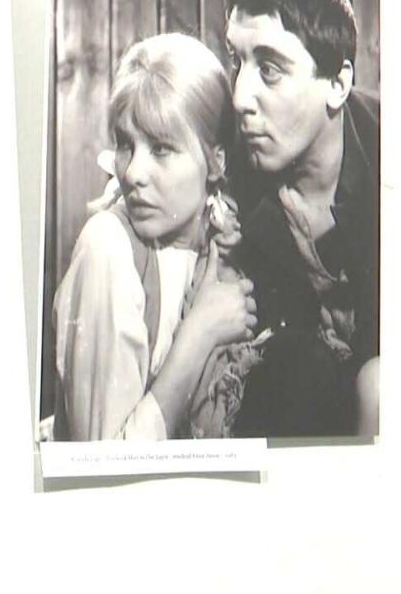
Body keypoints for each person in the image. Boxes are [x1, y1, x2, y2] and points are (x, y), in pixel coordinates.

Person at [52, 33, 259, 441]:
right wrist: (200, 333)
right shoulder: (108, 247)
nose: (132, 173)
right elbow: (104, 467)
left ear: (215, 161)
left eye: (161, 148)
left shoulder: (226, 248)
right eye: (125, 145)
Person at [223, 0, 380, 438]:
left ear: (336, 84)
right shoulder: (224, 162)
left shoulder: (400, 154)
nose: (240, 96)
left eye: (269, 69)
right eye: (237, 61)